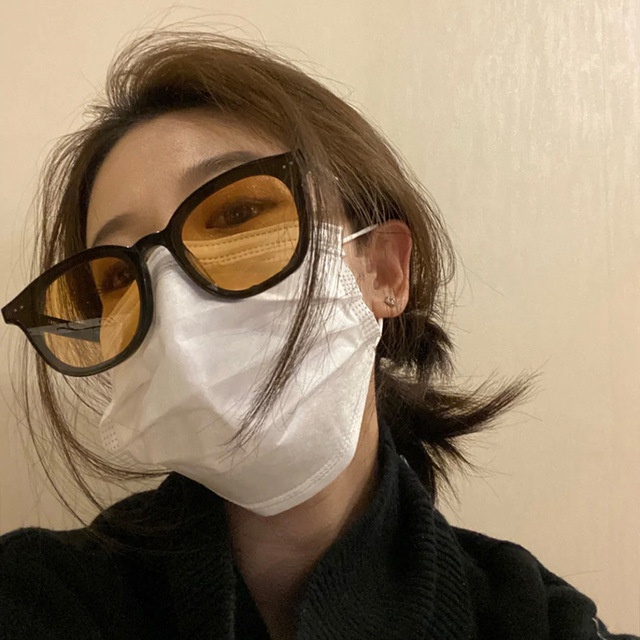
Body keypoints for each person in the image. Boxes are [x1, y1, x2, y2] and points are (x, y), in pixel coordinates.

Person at [0, 30, 636, 640]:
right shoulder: (37, 596)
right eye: (117, 274)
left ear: (383, 270)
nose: (172, 299)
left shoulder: (531, 617)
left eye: (239, 214)